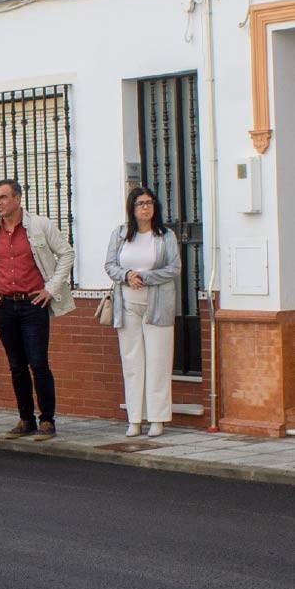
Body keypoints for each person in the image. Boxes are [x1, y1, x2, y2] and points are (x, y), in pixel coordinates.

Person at [0, 178, 75, 442]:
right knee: (16, 365)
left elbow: (66, 253)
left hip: (33, 304)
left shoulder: (39, 226)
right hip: (4, 304)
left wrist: (50, 289)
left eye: (3, 197)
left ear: (17, 199)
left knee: (38, 363)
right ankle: (25, 418)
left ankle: (47, 420)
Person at [104, 186, 181, 438]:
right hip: (127, 306)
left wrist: (145, 277)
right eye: (140, 203)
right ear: (132, 207)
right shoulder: (121, 234)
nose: (145, 207)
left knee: (158, 362)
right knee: (132, 363)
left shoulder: (165, 235)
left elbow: (174, 268)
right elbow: (110, 265)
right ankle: (135, 419)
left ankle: (157, 418)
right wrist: (127, 276)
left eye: (149, 203)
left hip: (157, 306)